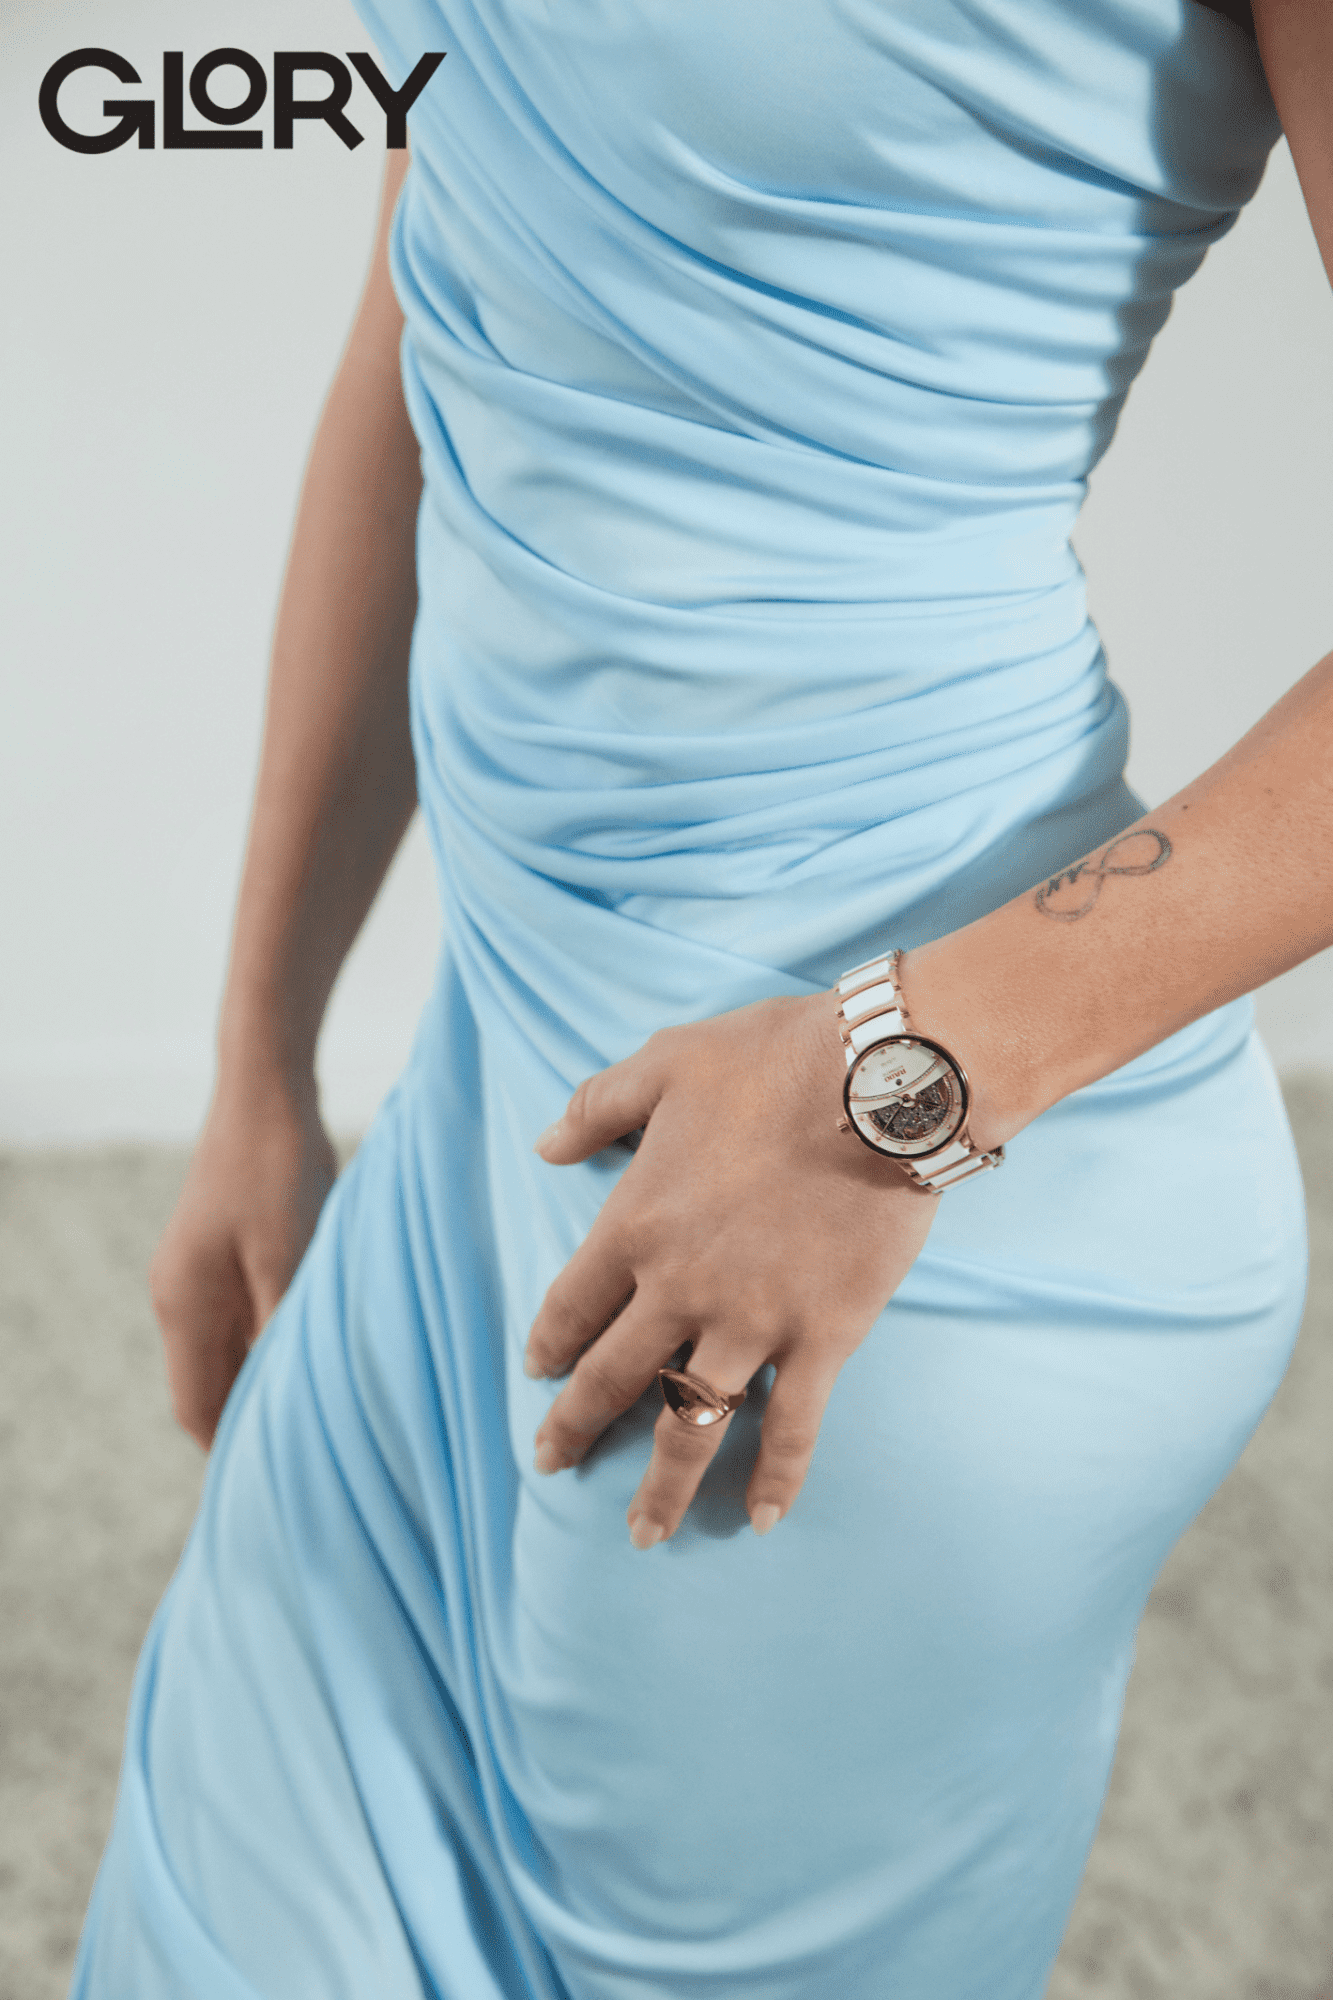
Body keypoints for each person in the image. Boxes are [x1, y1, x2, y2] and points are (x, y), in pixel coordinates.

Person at [71, 1, 1333, 1994]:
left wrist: (886, 1086)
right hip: (494, 1090)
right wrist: (261, 1056)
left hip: (888, 1214)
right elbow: (437, 306)